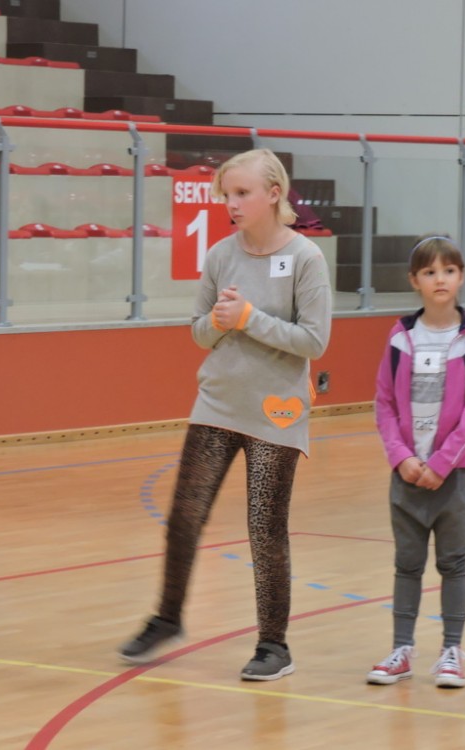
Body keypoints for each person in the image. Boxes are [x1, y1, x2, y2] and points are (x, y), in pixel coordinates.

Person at [117, 148, 332, 681]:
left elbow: (314, 341)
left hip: (276, 413)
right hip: (216, 404)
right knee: (184, 516)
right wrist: (217, 322)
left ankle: (273, 645)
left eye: (242, 193)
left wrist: (249, 317)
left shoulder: (305, 258)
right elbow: (199, 332)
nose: (231, 203)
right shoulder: (219, 255)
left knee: (264, 527)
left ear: (274, 194)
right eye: (227, 194)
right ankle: (167, 618)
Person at [366, 235, 465, 689]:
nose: (440, 279)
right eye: (430, 272)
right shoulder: (400, 336)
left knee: (454, 562)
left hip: (452, 476)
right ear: (414, 280)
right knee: (407, 564)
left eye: (449, 271)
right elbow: (384, 402)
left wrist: (442, 462)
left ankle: (451, 651)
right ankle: (401, 649)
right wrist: (401, 456)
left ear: (461, 277)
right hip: (407, 475)